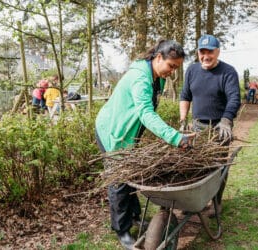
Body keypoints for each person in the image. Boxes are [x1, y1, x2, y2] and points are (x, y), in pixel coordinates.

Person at [95, 39, 195, 250]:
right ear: (159, 58)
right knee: (120, 181)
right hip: (112, 132)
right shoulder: (140, 77)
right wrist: (175, 137)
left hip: (127, 133)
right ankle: (122, 230)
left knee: (131, 175)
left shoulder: (155, 77)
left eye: (176, 68)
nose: (172, 72)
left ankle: (134, 217)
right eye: (171, 66)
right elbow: (146, 113)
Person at [179, 34, 241, 216]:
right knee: (194, 164)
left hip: (218, 127)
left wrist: (226, 120)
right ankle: (194, 202)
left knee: (218, 166)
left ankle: (216, 203)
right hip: (197, 127)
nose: (206, 56)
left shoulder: (228, 72)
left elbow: (234, 98)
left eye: (210, 52)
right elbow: (185, 96)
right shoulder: (191, 70)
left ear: (218, 52)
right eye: (202, 52)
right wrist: (183, 121)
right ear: (198, 52)